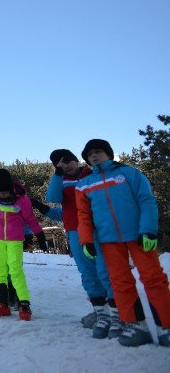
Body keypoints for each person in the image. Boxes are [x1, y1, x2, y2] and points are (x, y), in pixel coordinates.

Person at [76, 139, 170, 347]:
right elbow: (83, 215)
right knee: (120, 283)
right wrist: (86, 240)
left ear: (108, 153)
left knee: (154, 279)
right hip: (108, 240)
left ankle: (166, 327)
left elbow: (146, 200)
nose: (93, 156)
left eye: (98, 151)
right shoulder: (84, 185)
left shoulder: (130, 173)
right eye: (89, 154)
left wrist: (148, 230)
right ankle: (136, 326)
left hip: (138, 236)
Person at [46, 148, 119, 339]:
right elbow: (53, 198)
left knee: (106, 272)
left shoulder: (91, 174)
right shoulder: (61, 181)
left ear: (76, 160)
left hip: (99, 230)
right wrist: (58, 174)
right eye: (60, 163)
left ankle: (119, 315)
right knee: (88, 274)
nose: (66, 165)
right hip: (74, 232)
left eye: (68, 161)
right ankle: (101, 314)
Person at [0, 169, 48, 321]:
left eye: (6, 192)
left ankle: (24, 302)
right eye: (0, 192)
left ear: (11, 188)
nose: (3, 195)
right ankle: (2, 302)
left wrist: (40, 235)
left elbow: (30, 219)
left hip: (15, 240)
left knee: (16, 270)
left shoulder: (22, 200)